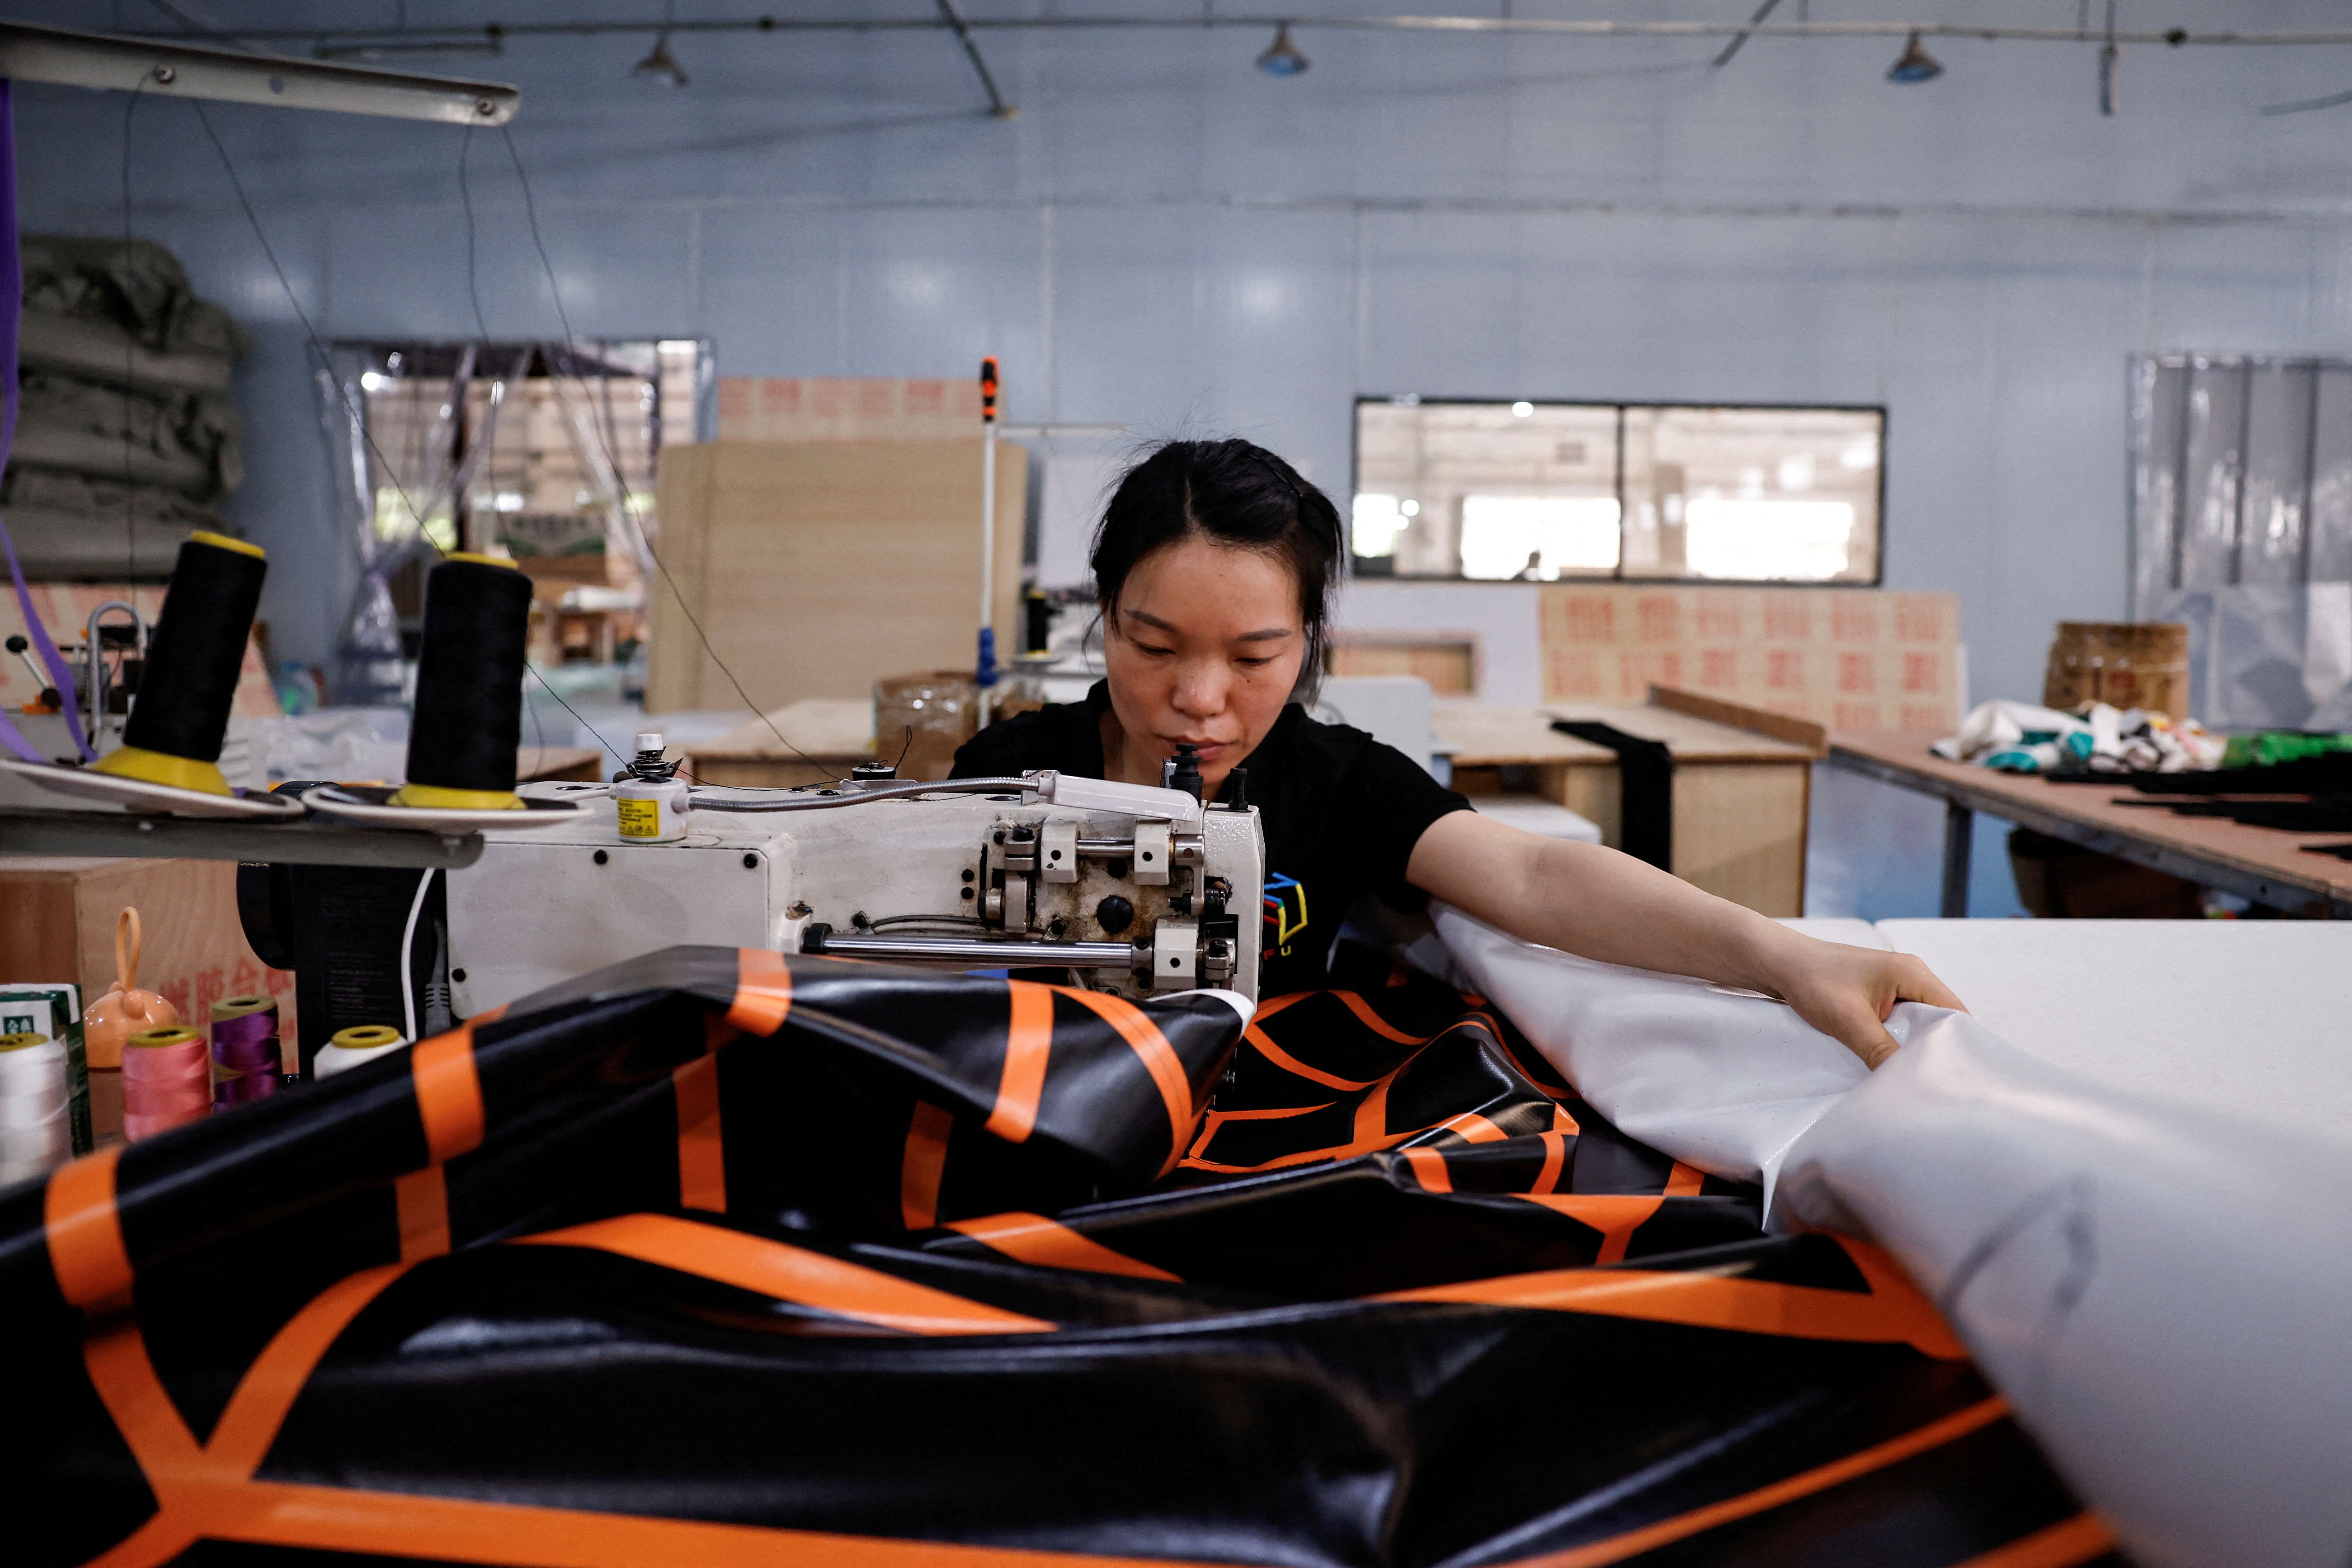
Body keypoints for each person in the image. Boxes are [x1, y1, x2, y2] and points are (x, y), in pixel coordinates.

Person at [953, 438, 1961, 1067]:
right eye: (1154, 644)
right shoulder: (1007, 772)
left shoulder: (1338, 783)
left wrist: (1784, 958)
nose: (1200, 699)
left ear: (1306, 641)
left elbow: (1534, 873)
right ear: (1104, 618)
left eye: (1254, 655)